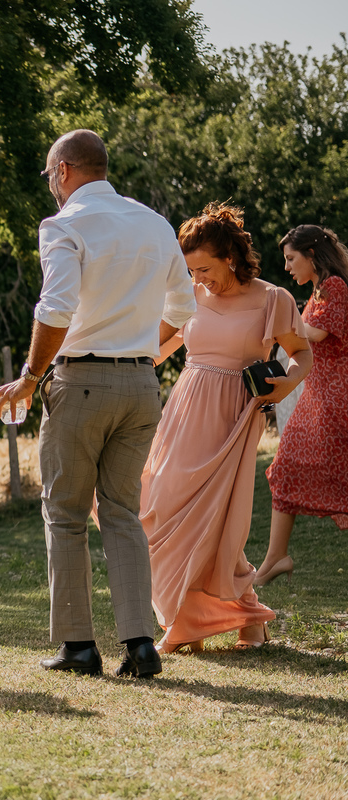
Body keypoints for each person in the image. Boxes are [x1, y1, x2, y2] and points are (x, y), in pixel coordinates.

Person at [0, 129, 196, 678]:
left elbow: (54, 308)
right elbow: (185, 304)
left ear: (62, 171)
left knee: (65, 514)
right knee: (124, 514)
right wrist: (143, 353)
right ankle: (141, 645)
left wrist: (30, 378)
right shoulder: (154, 224)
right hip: (141, 384)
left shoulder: (63, 225)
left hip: (79, 381)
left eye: (49, 176)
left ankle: (78, 647)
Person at [142, 203, 310, 654]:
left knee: (214, 521)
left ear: (230, 257)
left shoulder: (273, 299)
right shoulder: (190, 297)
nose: (198, 279)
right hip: (183, 412)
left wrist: (283, 385)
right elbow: (156, 349)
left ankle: (185, 626)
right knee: (157, 505)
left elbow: (300, 355)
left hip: (234, 416)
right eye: (191, 270)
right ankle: (245, 617)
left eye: (205, 268)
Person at [259, 224, 348, 585]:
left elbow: (317, 334)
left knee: (336, 479)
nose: (287, 267)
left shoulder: (335, 287)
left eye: (291, 258)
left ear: (312, 255)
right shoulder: (319, 291)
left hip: (335, 400)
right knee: (285, 470)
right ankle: (274, 559)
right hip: (318, 400)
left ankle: (274, 559)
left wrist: (279, 315)